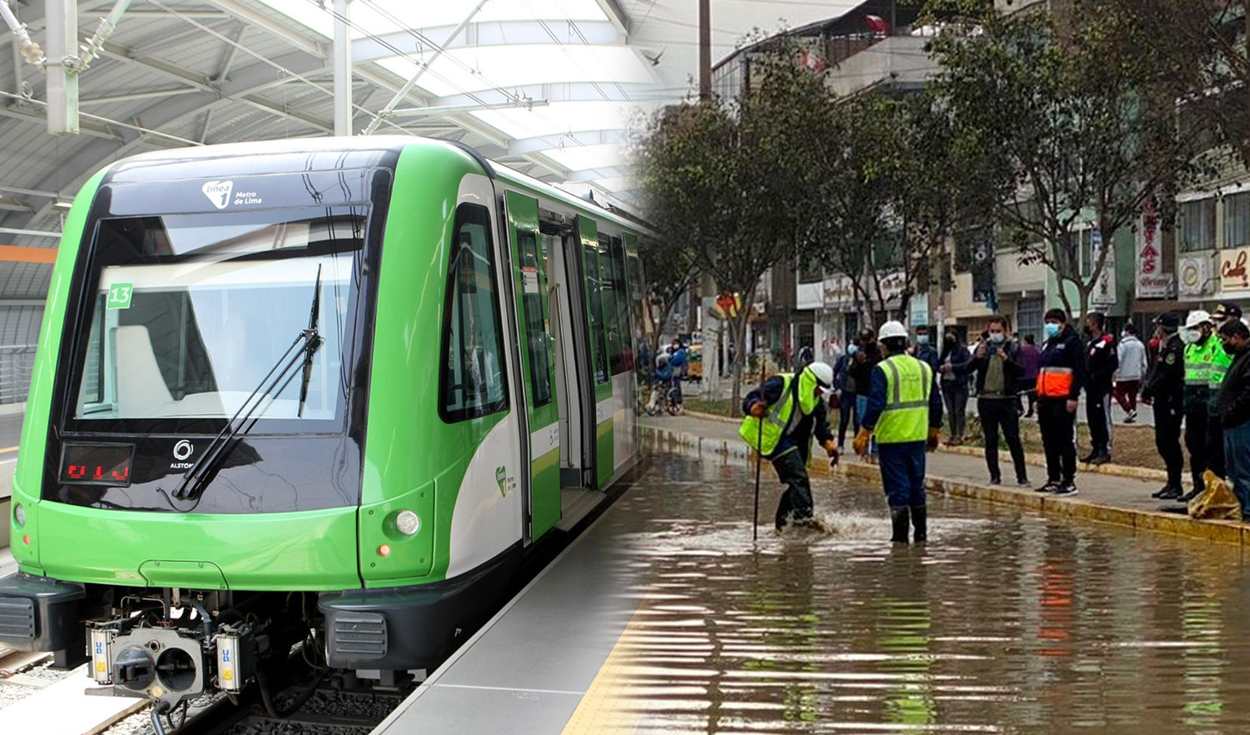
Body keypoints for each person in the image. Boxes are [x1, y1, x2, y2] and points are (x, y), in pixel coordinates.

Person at [854, 321, 943, 543]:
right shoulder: (924, 367)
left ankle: (900, 541)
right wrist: (933, 430)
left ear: (883, 345)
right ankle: (921, 536)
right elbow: (936, 402)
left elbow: (875, 404)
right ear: (905, 342)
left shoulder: (883, 369)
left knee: (898, 489)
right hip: (917, 438)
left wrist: (864, 432)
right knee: (916, 487)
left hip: (892, 439)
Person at [740, 361, 839, 530]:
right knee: (799, 478)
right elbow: (752, 397)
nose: (818, 394)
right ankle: (804, 520)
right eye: (818, 390)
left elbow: (821, 426)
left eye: (821, 392)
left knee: (795, 483)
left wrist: (828, 444)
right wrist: (753, 407)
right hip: (769, 437)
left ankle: (783, 525)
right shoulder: (781, 384)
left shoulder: (815, 402)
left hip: (790, 442)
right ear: (810, 381)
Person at [970, 316, 1029, 486]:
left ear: (1006, 331)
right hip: (987, 399)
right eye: (992, 331)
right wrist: (977, 358)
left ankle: (1022, 476)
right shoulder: (983, 348)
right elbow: (968, 368)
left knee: (1013, 438)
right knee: (990, 439)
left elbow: (1021, 371)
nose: (995, 335)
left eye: (998, 331)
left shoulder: (1014, 348)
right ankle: (994, 476)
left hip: (1007, 399)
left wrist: (1006, 359)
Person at [1036, 308, 1085, 496]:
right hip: (1045, 399)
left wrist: (1073, 396)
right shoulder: (1048, 344)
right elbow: (1043, 372)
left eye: (1054, 321)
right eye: (1048, 321)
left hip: (1063, 399)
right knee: (1049, 441)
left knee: (1064, 440)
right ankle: (1053, 478)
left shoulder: (1072, 342)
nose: (1050, 325)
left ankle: (1068, 480)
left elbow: (1079, 371)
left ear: (1063, 323)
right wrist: (1038, 397)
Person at [1141, 314, 1186, 499]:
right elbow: (1155, 371)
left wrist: (1149, 388)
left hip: (1171, 401)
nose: (1156, 331)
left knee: (1169, 441)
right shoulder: (1164, 347)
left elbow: (1167, 375)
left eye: (1158, 327)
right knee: (1162, 442)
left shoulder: (1175, 348)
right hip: (1161, 400)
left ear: (1164, 327)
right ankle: (1171, 482)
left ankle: (1176, 484)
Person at [1214, 318, 1250, 521]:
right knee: (1235, 471)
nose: (1223, 343)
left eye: (1225, 339)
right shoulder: (1240, 356)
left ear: (1237, 337)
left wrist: (1232, 411)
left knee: (1245, 470)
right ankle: (1241, 506)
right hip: (1231, 422)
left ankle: (1248, 509)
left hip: (1242, 422)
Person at [1181, 310, 1215, 499]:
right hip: (1192, 406)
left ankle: (1211, 489)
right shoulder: (1189, 348)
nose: (1192, 332)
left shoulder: (1216, 346)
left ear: (1206, 328)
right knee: (1193, 447)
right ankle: (1197, 486)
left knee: (1208, 449)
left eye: (1195, 328)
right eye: (1190, 329)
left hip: (1209, 405)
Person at [1204, 304, 1240, 485]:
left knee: (1235, 458)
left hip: (1232, 403)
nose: (1217, 325)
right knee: (1214, 451)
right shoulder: (1219, 342)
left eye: (1221, 320)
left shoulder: (1238, 343)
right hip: (1216, 399)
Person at [1081, 312, 1117, 465]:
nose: (1086, 325)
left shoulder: (1106, 342)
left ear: (1095, 324)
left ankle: (1105, 450)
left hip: (1102, 388)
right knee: (1093, 419)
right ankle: (1096, 448)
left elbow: (1113, 364)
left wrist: (1098, 376)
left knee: (1103, 418)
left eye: (1088, 322)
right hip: (1090, 389)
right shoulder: (1090, 343)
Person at [850, 329, 881, 457]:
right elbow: (851, 372)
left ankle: (875, 450)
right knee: (862, 421)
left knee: (876, 423)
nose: (865, 342)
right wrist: (858, 362)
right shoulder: (858, 353)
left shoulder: (878, 352)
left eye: (867, 339)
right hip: (861, 392)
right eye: (863, 339)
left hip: (875, 392)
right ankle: (864, 449)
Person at [938, 330, 971, 445]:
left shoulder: (962, 350)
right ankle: (952, 434)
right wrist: (941, 367)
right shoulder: (945, 350)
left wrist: (953, 367)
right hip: (947, 384)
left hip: (959, 385)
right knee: (950, 411)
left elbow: (968, 364)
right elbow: (938, 363)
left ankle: (959, 434)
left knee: (958, 410)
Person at [1113, 323, 1147, 422]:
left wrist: (1115, 372)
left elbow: (1118, 360)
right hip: (1136, 374)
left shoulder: (1123, 344)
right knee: (1132, 395)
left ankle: (1129, 410)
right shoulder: (1140, 344)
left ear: (1127, 331)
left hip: (1123, 375)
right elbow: (1143, 361)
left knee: (1119, 394)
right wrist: (1142, 373)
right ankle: (1132, 411)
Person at [833, 342, 859, 450]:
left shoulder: (860, 361)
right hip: (845, 393)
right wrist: (837, 387)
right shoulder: (844, 359)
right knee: (844, 420)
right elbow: (834, 372)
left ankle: (857, 445)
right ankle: (840, 444)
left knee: (857, 421)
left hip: (857, 393)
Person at [1019, 333, 1041, 418]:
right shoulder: (1037, 350)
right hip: (1034, 376)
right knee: (1032, 395)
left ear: (1025, 340)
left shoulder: (1021, 350)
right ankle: (1031, 410)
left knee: (1017, 394)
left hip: (1023, 376)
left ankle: (1020, 408)